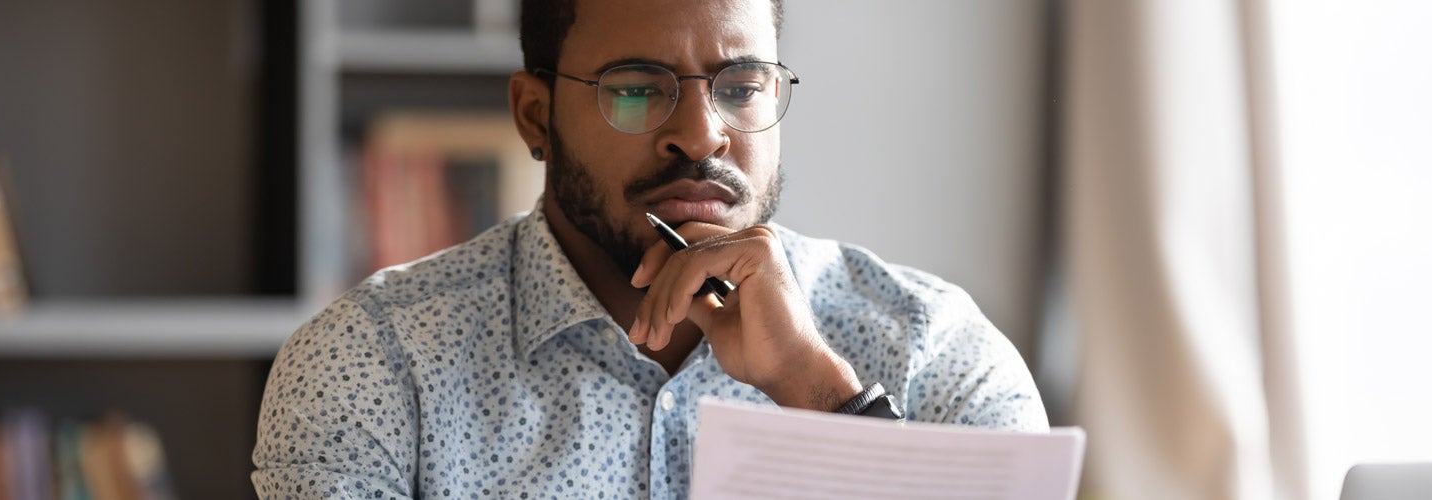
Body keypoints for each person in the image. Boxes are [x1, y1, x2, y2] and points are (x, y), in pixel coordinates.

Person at [251, 0, 1047, 498]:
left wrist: (821, 395)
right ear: (535, 116)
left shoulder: (933, 352)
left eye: (740, 87)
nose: (702, 134)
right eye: (636, 87)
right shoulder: (373, 363)